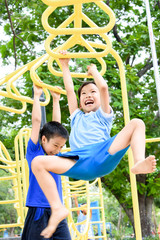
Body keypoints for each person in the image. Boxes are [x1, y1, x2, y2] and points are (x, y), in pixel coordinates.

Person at [31, 50, 157, 238]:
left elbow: (104, 88)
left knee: (137, 123)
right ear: (80, 102)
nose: (87, 95)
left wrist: (94, 72)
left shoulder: (103, 115)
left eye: (92, 92)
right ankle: (57, 208)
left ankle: (138, 163)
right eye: (84, 94)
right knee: (38, 163)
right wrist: (65, 65)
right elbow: (70, 91)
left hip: (103, 153)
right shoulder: (76, 116)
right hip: (78, 160)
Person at [21, 84, 71, 240]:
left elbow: (57, 125)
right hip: (39, 210)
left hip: (57, 210)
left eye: (61, 146)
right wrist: (36, 96)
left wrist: (56, 100)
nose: (58, 150)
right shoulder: (35, 152)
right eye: (56, 146)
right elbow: (36, 122)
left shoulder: (56, 155)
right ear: (43, 139)